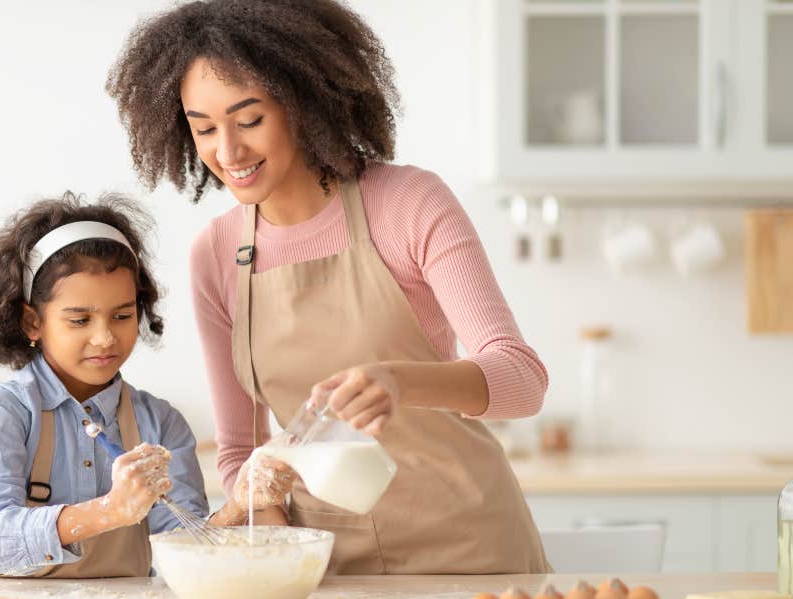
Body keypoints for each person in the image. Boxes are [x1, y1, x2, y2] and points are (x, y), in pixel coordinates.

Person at [107, 0, 550, 574]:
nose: (228, 151)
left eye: (249, 119)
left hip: (471, 546)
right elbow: (243, 456)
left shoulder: (409, 204)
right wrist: (266, 530)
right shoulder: (216, 256)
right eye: (205, 128)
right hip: (327, 566)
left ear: (303, 101)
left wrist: (398, 381)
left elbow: (521, 380)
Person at [0, 192, 209, 578]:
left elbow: (190, 552)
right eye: (80, 320)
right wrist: (109, 511)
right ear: (32, 323)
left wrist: (243, 503)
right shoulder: (6, 409)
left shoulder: (161, 422)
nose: (105, 337)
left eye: (122, 315)